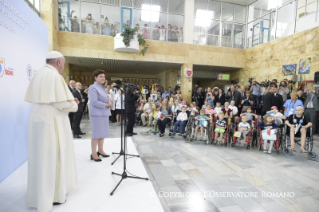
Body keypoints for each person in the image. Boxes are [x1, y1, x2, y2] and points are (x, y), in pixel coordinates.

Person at [24, 51, 79, 211]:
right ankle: (53, 195)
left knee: (41, 158)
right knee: (53, 157)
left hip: (38, 120)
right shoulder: (55, 77)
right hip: (51, 122)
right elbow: (62, 103)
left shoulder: (39, 73)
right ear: (59, 62)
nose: (63, 67)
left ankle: (39, 195)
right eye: (63, 64)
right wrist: (74, 104)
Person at [88, 70, 112, 162]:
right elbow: (94, 101)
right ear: (95, 77)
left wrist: (109, 103)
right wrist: (106, 104)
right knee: (96, 134)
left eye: (104, 77)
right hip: (97, 114)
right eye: (100, 76)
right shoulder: (93, 87)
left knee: (102, 133)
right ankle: (94, 153)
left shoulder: (102, 87)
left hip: (104, 113)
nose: (103, 78)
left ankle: (101, 150)